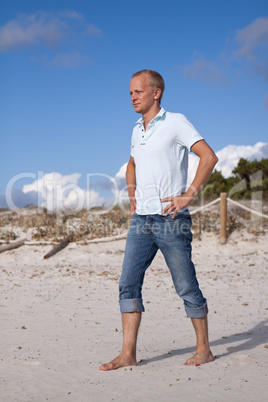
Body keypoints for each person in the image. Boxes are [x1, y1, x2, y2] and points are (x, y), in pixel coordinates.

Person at [99, 69, 218, 371]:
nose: (132, 97)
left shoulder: (176, 122)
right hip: (141, 221)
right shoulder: (136, 129)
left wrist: (189, 194)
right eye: (129, 93)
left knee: (185, 285)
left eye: (138, 92)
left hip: (171, 219)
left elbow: (208, 157)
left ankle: (204, 350)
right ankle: (128, 354)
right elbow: (132, 164)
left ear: (156, 93)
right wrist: (132, 193)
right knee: (128, 285)